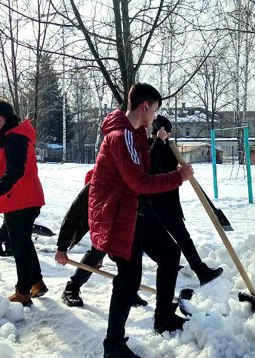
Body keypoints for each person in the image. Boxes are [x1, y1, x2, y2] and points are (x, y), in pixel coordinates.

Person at [57, 83, 193, 358]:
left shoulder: (135, 135)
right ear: (145, 106)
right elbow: (139, 181)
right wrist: (178, 177)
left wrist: (157, 144)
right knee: (129, 278)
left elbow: (140, 170)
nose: (155, 115)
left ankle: (163, 317)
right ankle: (114, 346)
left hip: (138, 211)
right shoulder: (121, 136)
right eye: (154, 109)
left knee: (169, 253)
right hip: (121, 215)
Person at [0, 97, 47, 307]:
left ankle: (23, 292)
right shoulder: (8, 137)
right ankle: (36, 282)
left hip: (23, 201)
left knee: (19, 246)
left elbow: (15, 171)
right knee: (23, 243)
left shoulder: (15, 138)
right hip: (19, 200)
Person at [149, 115, 223, 286]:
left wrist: (181, 170)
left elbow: (169, 168)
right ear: (160, 132)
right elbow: (151, 168)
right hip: (157, 204)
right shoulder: (151, 147)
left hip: (169, 202)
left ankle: (196, 270)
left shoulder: (167, 147)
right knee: (171, 240)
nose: (169, 135)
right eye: (167, 132)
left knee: (180, 239)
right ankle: (196, 270)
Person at [54, 177, 149, 308]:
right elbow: (73, 215)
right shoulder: (98, 182)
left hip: (127, 224)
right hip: (103, 223)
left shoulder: (136, 181)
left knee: (132, 251)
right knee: (99, 251)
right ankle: (72, 287)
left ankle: (128, 290)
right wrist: (61, 248)